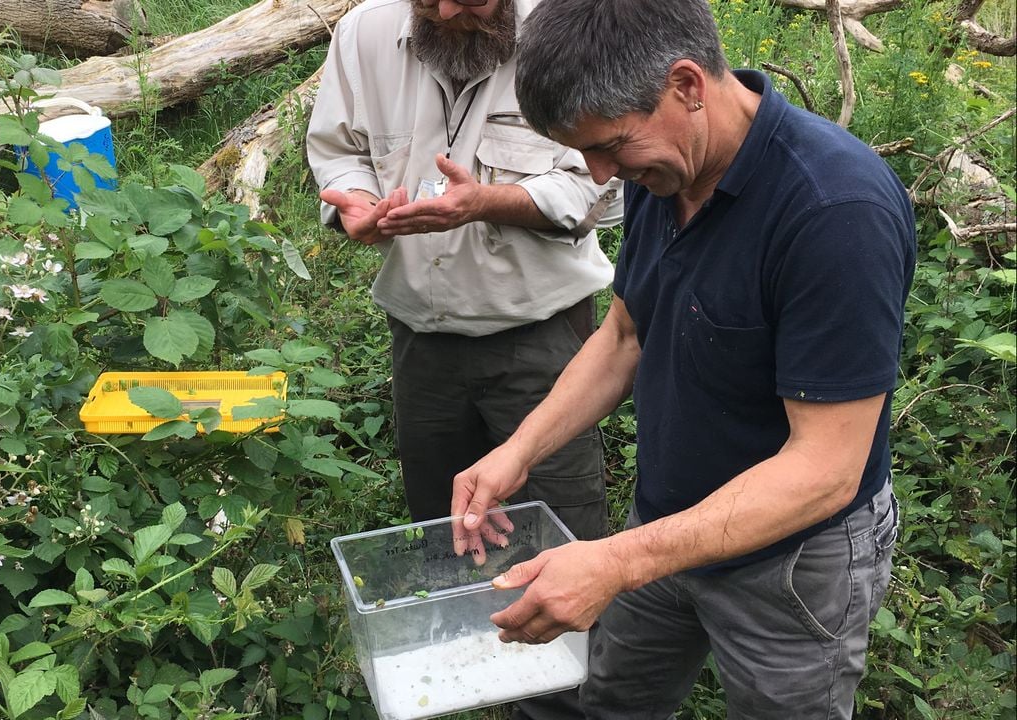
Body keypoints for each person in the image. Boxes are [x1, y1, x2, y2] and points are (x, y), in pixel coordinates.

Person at [450, 0, 915, 717]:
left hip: (793, 562)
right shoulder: (664, 172)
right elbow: (625, 337)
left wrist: (614, 561)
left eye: (610, 145)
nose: (600, 174)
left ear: (688, 85)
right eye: (584, 154)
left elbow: (825, 470)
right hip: (665, 520)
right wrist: (519, 450)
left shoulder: (834, 212)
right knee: (605, 700)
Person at [306, 1, 622, 716]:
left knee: (557, 530)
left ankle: (567, 698)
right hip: (422, 339)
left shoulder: (565, 28)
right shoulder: (363, 33)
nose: (447, 12)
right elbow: (338, 148)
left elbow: (602, 186)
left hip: (540, 336)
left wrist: (489, 202)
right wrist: (354, 203)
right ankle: (474, 681)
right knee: (447, 531)